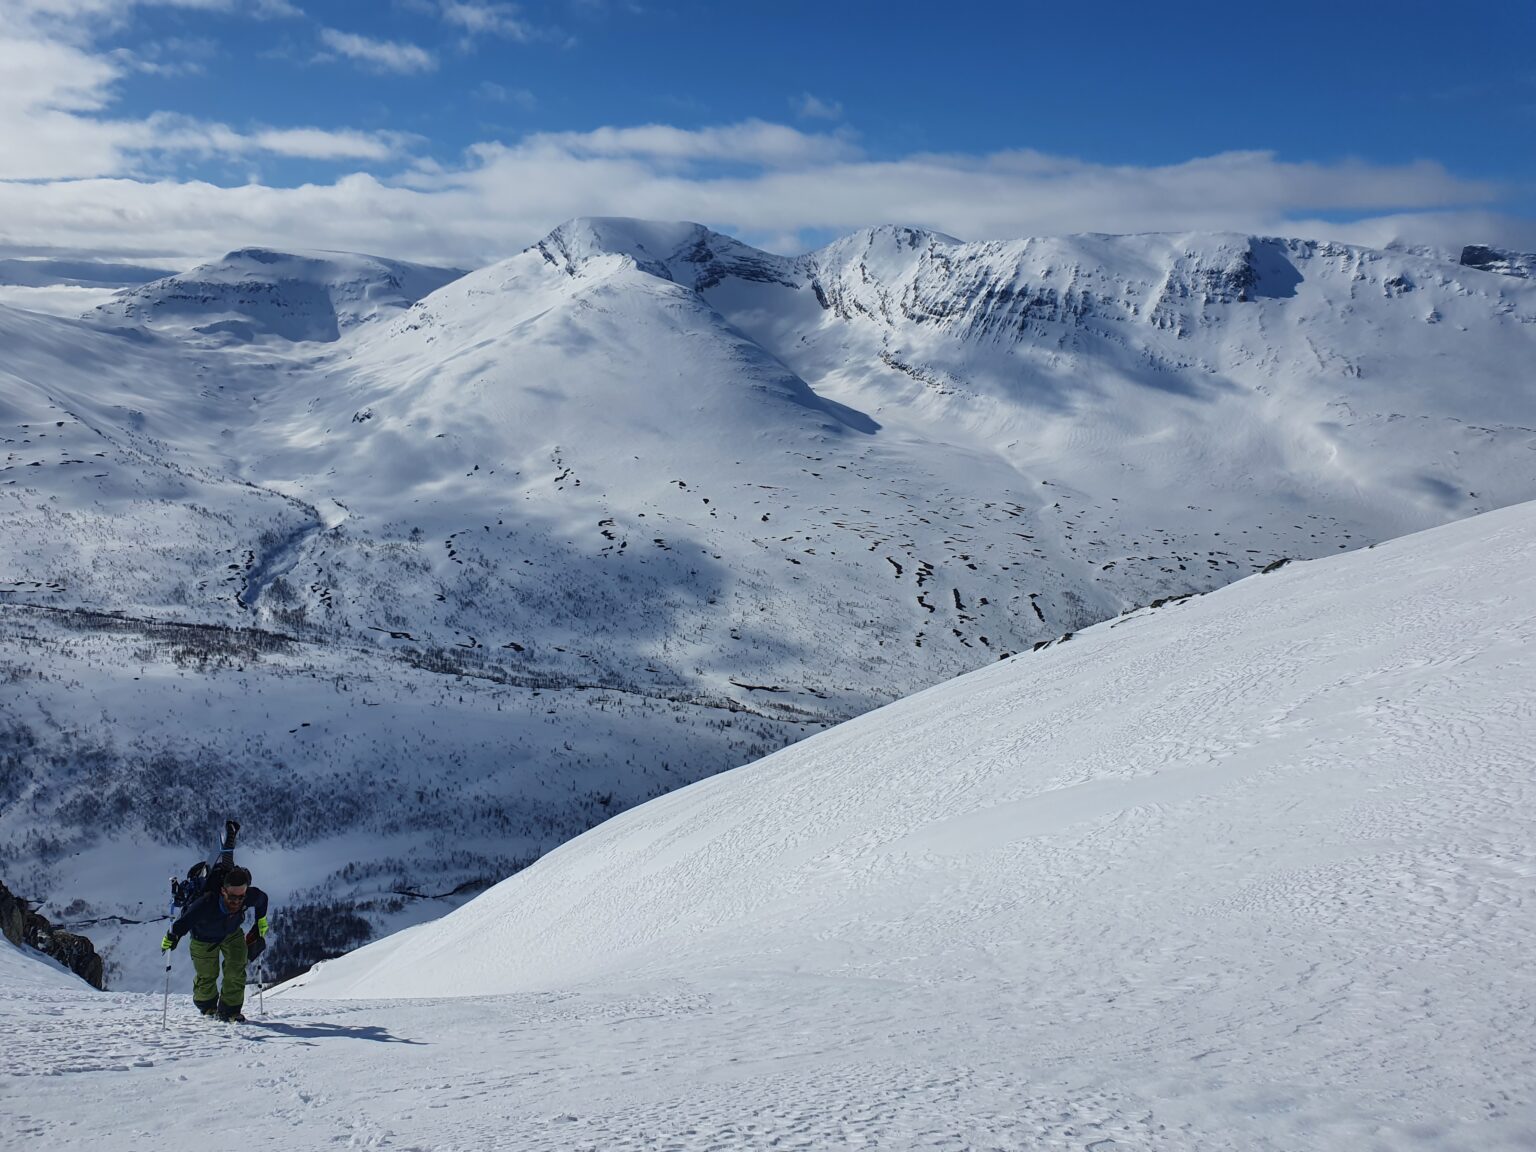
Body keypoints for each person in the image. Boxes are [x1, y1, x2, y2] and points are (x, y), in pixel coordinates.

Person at [161, 865, 269, 1022]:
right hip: (203, 939)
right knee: (207, 975)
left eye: (241, 896)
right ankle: (207, 1006)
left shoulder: (248, 896)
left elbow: (262, 899)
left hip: (231, 932)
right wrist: (173, 937)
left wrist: (261, 920)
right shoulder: (207, 902)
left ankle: (230, 1011)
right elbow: (185, 921)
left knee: (236, 968)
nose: (238, 901)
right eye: (233, 897)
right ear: (223, 891)